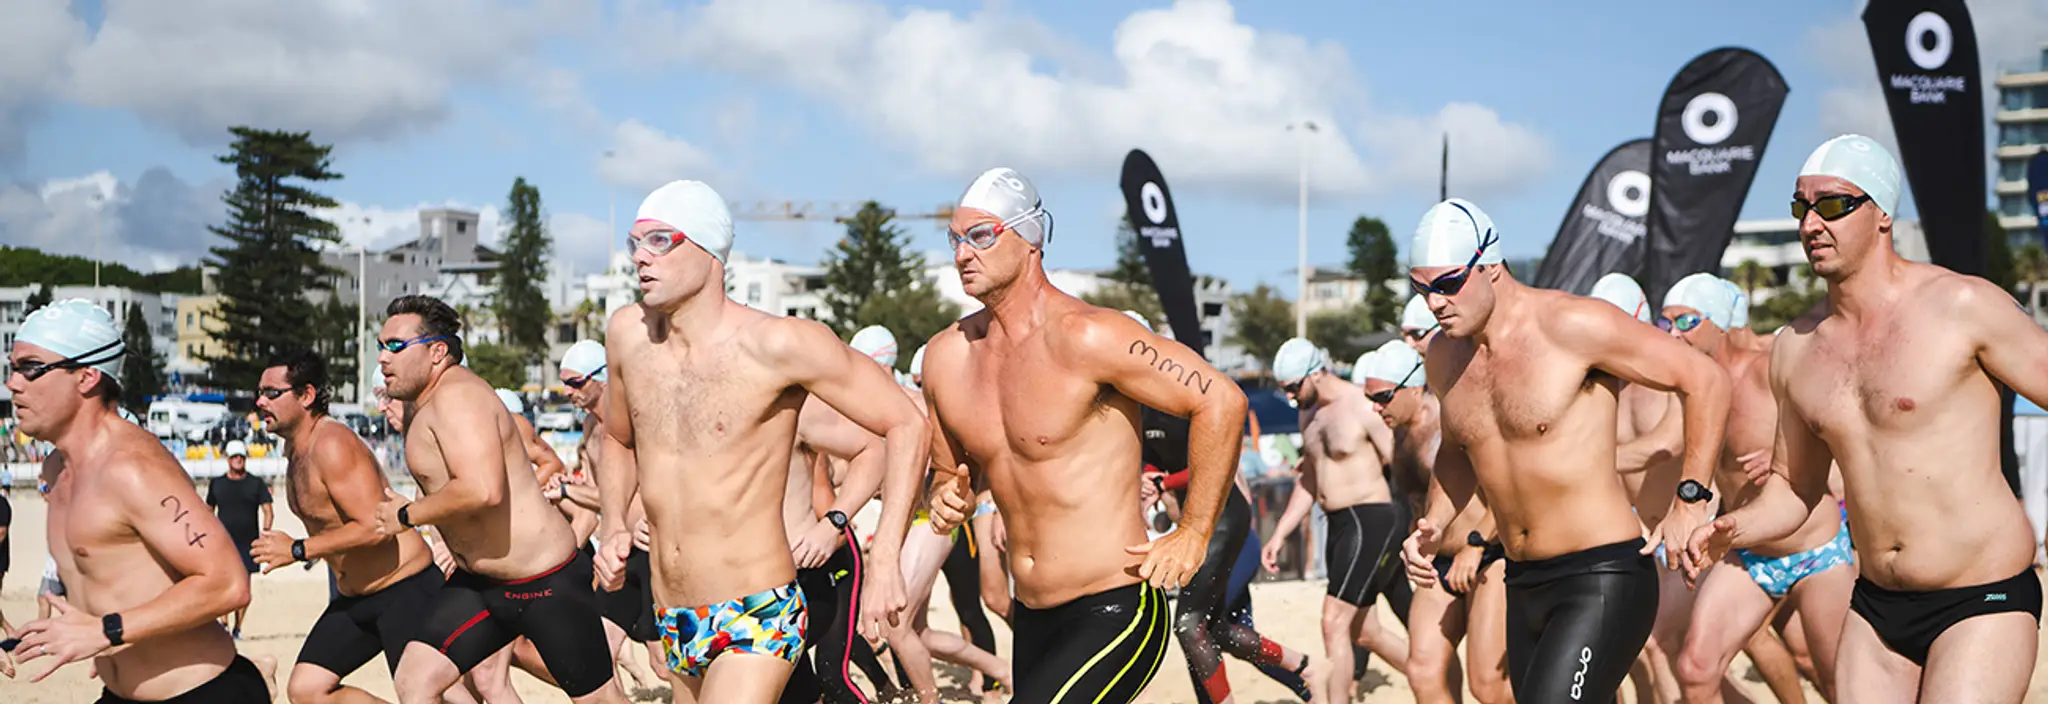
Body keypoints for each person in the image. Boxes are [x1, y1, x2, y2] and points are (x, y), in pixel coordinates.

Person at [1688, 135, 2048, 701]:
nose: (1811, 224)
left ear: (1882, 213)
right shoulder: (1795, 349)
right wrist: (1734, 527)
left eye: (1832, 205)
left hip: (1982, 595)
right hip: (1877, 606)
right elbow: (1795, 487)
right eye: (1801, 207)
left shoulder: (1963, 307)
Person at [592, 180, 924, 703]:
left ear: (709, 251)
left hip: (755, 609)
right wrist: (613, 524)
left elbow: (906, 423)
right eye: (635, 242)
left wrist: (884, 556)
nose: (639, 256)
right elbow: (616, 437)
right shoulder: (628, 334)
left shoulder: (779, 343)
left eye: (659, 241)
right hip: (673, 613)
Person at [921, 167, 1239, 704]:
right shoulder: (946, 357)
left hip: (1116, 605)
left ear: (1029, 239)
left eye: (981, 236)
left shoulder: (1089, 336)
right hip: (1031, 614)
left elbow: (1221, 399)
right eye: (955, 239)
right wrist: (944, 495)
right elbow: (951, 474)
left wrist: (1194, 529)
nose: (962, 255)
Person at [1396, 199, 1731, 704]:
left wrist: (1690, 498)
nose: (1435, 303)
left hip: (1601, 576)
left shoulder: (1573, 325)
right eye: (1422, 290)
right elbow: (1459, 449)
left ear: (1490, 265)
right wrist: (1436, 523)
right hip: (1522, 580)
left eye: (1447, 284)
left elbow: (1705, 379)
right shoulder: (1445, 354)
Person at [370, 294, 628, 704]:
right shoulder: (422, 404)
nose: (384, 357)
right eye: (381, 346)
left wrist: (406, 515)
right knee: (416, 681)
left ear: (437, 352)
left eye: (396, 346)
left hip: (543, 580)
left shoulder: (457, 397)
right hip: (481, 584)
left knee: (599, 700)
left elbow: (482, 490)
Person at [8, 299, 270, 701]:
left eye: (31, 368)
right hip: (120, 692)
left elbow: (229, 584)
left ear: (87, 377)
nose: (13, 383)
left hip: (203, 691)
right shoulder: (56, 470)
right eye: (12, 368)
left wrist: (106, 631)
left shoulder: (131, 467)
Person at [1660, 273, 1853, 703]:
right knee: (1695, 671)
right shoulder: (1692, 390)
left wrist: (1791, 452)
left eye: (1686, 321)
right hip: (1748, 553)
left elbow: (1845, 424)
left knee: (1835, 681)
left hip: (1814, 549)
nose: (1672, 333)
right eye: (1665, 322)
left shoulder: (1766, 369)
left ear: (1718, 322)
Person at [239, 349, 445, 704]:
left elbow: (376, 526)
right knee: (307, 689)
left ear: (306, 395)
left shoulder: (332, 444)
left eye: (272, 393)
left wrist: (298, 550)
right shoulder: (295, 450)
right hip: (356, 597)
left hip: (405, 588)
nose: (260, 402)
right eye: (259, 392)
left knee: (426, 695)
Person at [1356, 340, 1512, 704]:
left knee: (1488, 687)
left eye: (1383, 397)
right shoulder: (1398, 431)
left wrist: (1475, 546)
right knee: (1423, 672)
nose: (1376, 407)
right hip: (1436, 562)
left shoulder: (1451, 420)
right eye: (1371, 399)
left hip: (1487, 556)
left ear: (1414, 387)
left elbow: (1506, 489)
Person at [1259, 338, 1408, 700]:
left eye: (1294, 387)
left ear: (1317, 373)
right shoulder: (1307, 413)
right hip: (1339, 525)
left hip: (1371, 519)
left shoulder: (1361, 405)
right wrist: (1280, 533)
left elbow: (1403, 465)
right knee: (1364, 631)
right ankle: (1433, 675)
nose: (1290, 397)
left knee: (1333, 622)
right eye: (1284, 390)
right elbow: (1310, 481)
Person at [209, 439, 272, 640]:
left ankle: (238, 627)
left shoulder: (255, 483)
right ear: (228, 459)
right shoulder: (217, 484)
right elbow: (208, 511)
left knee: (244, 588)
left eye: (241, 457)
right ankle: (224, 623)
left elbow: (268, 510)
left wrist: (266, 533)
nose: (238, 460)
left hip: (249, 543)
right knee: (223, 585)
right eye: (234, 456)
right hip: (223, 542)